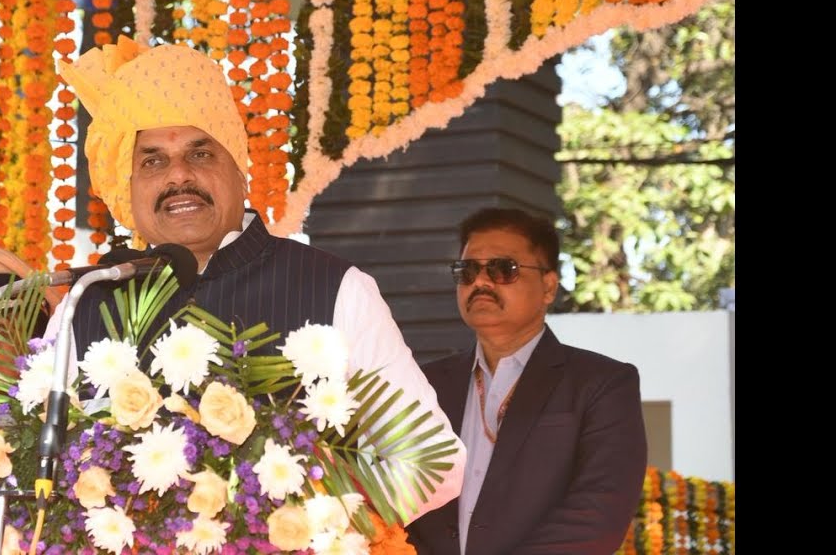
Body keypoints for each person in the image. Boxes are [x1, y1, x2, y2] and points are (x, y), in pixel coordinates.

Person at [48, 35, 465, 520]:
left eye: (201, 154)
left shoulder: (333, 287)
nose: (178, 176)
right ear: (129, 186)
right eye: (153, 160)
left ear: (238, 169)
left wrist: (305, 525)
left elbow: (432, 461)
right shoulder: (89, 300)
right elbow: (21, 460)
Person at [407, 207, 647, 555]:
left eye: (503, 269)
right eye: (467, 270)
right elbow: (393, 499)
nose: (481, 282)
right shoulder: (423, 385)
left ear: (548, 287)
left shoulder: (601, 385)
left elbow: (598, 515)